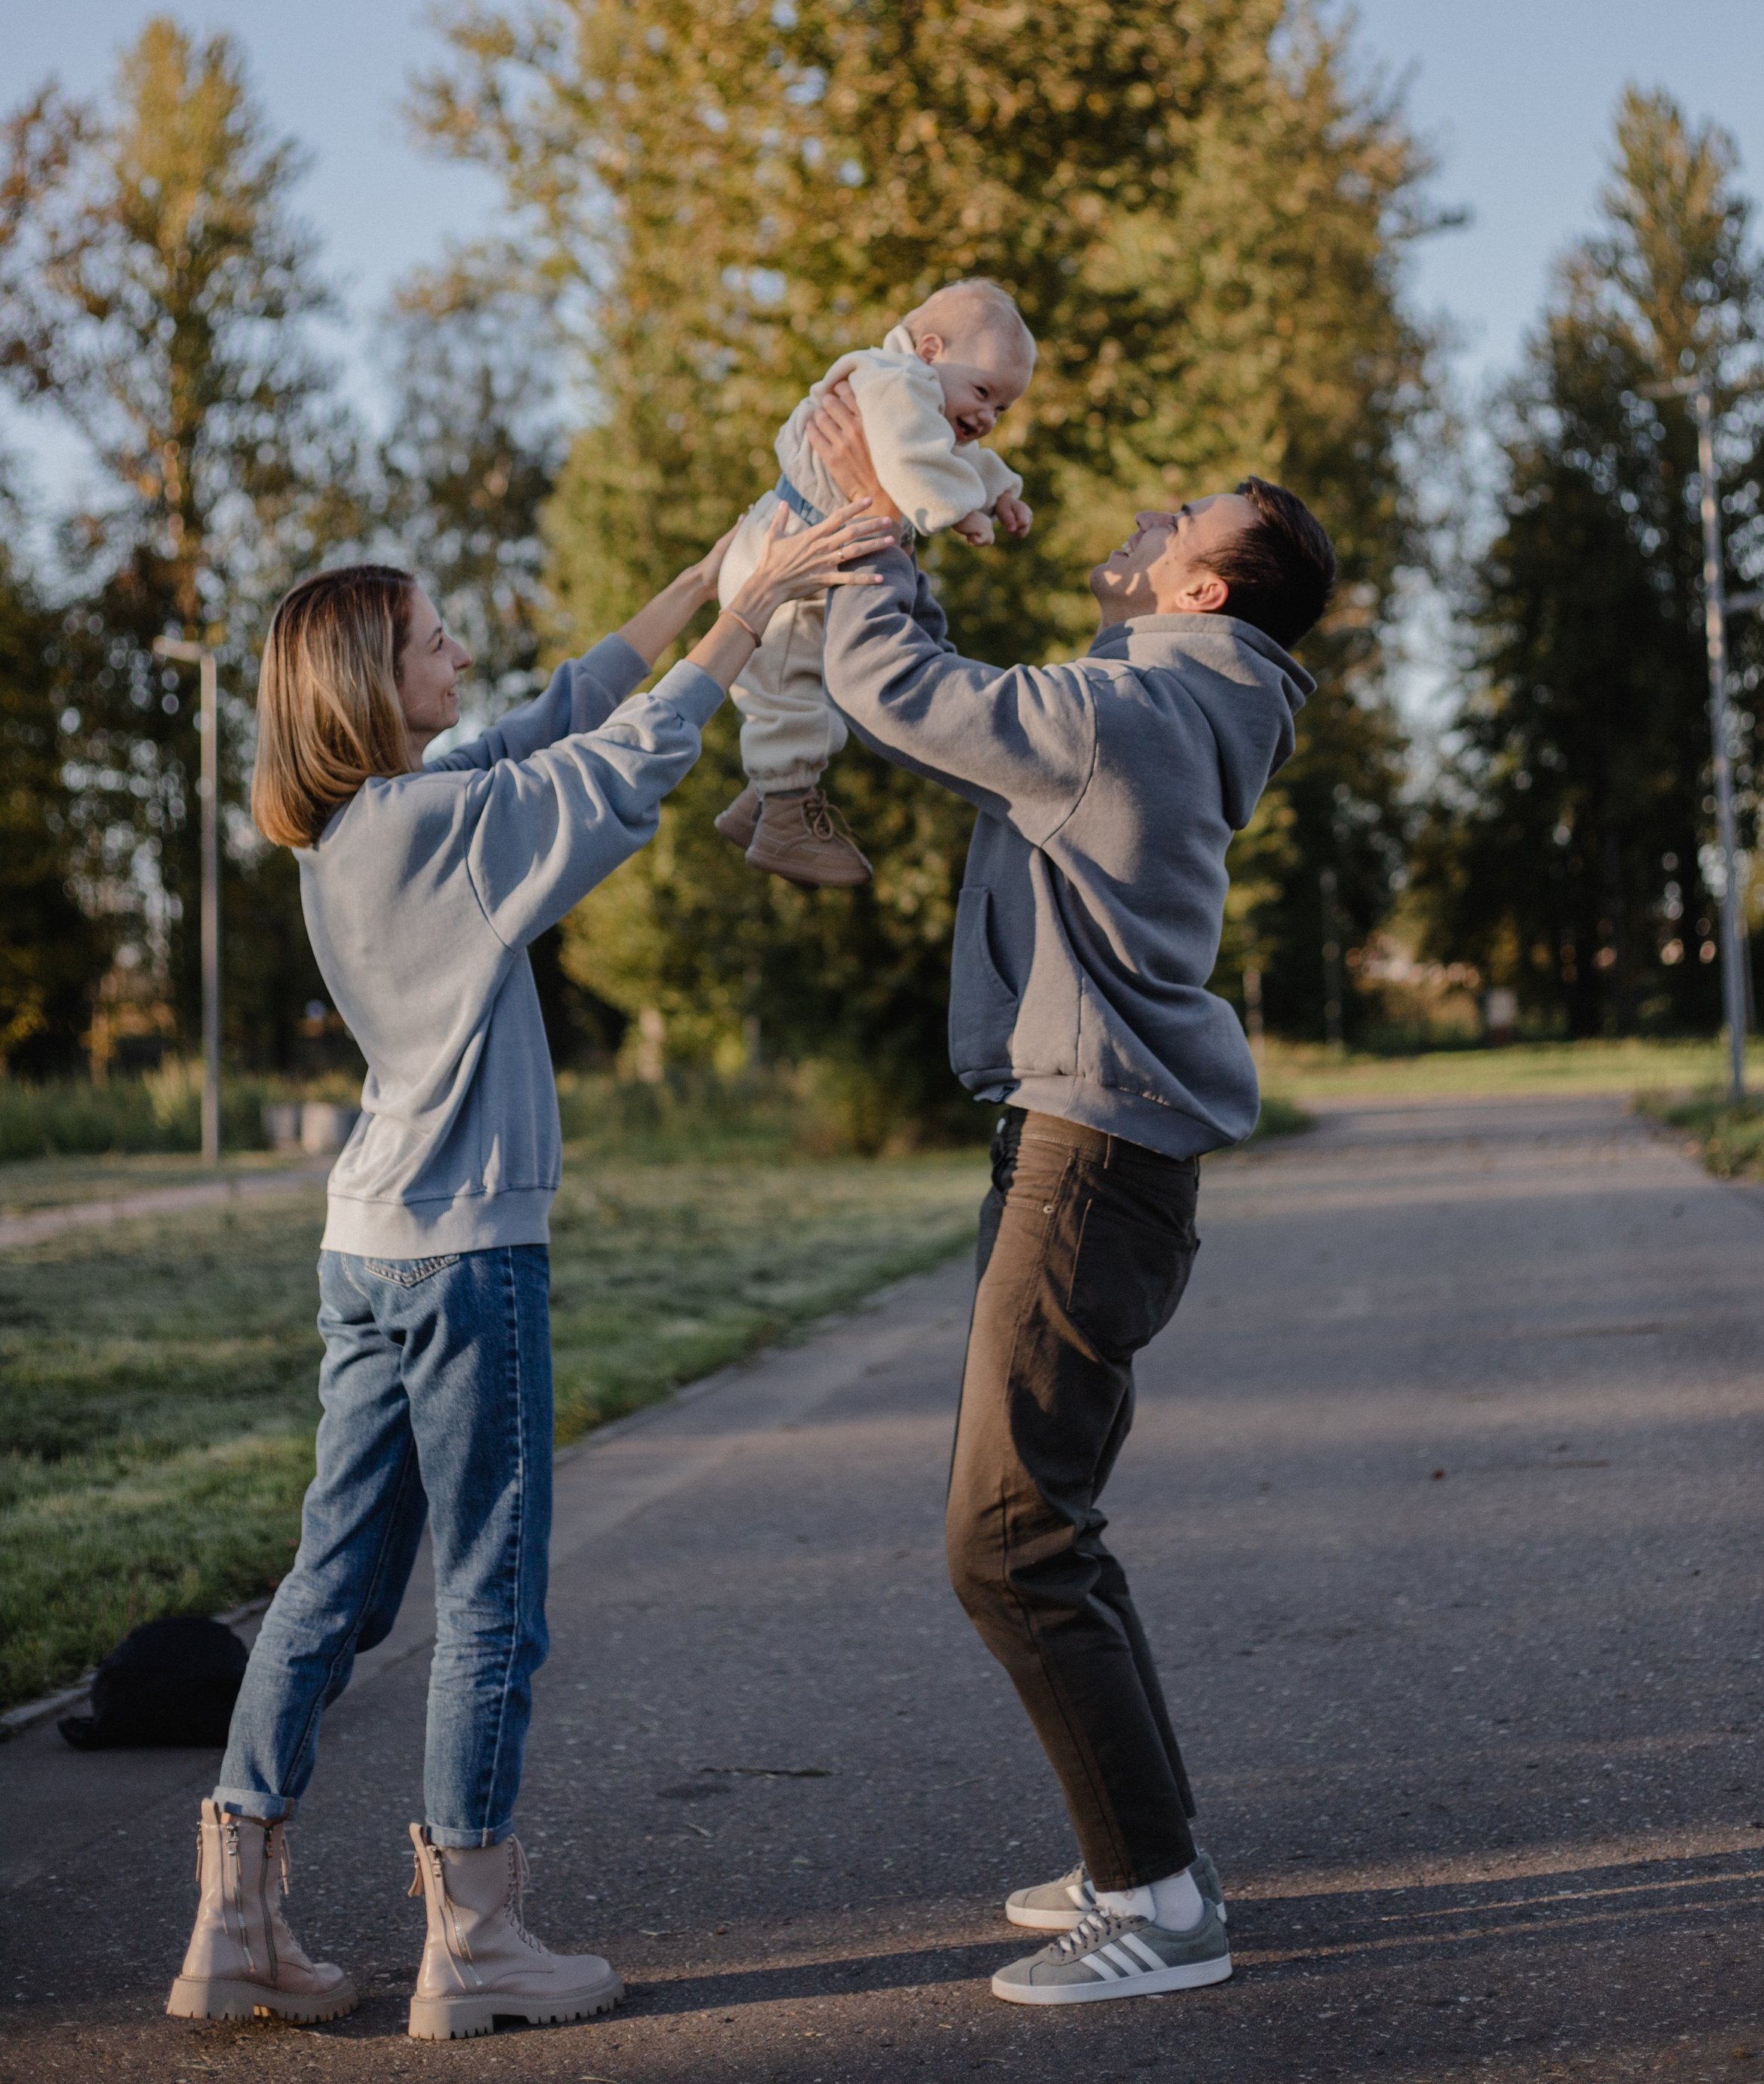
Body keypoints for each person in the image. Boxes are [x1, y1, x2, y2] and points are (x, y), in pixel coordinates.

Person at [165, 501, 890, 2044]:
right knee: (490, 1600)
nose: (457, 652)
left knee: (327, 1583)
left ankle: (235, 1924)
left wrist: (703, 577)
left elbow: (562, 713)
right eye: (432, 639)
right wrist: (749, 622)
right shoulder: (445, 830)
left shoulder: (365, 826)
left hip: (366, 1247)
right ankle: (476, 1943)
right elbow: (623, 765)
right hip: (463, 1258)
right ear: (373, 677)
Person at [809, 382, 1335, 2009]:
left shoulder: (1134, 717)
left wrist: (875, 515)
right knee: (1049, 1528)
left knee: (1007, 1542)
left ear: (1201, 592)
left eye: (1175, 520)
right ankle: (1141, 1848)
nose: (1145, 516)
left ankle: (1159, 1905)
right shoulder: (1155, 703)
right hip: (1095, 1150)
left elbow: (890, 685)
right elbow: (981, 712)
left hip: (1088, 1163)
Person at [711, 278, 1035, 886]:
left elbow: (948, 459)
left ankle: (756, 809)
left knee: (810, 688)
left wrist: (1001, 493)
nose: (989, 417)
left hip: (809, 552)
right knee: (789, 686)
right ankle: (785, 817)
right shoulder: (895, 382)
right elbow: (910, 463)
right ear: (932, 351)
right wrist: (961, 510)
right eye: (984, 392)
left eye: (1004, 409)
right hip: (783, 560)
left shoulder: (917, 396)